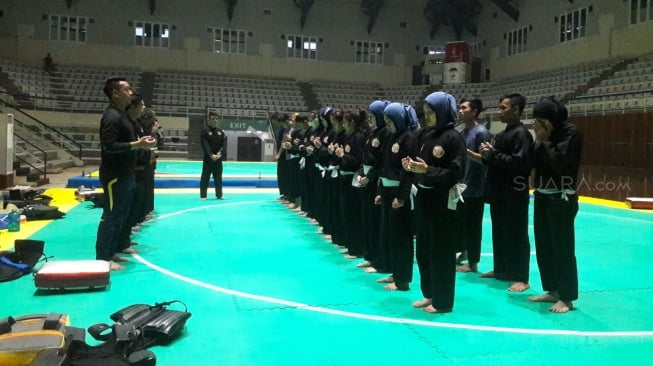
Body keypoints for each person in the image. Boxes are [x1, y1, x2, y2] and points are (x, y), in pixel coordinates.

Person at [403, 92, 466, 313]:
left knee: (441, 252)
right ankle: (430, 294)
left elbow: (457, 171)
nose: (427, 116)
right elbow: (421, 166)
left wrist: (427, 170)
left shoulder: (453, 138)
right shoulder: (425, 136)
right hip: (424, 198)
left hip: (442, 202)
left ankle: (443, 301)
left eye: (431, 112)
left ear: (443, 112)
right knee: (423, 250)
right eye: (426, 112)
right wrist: (411, 167)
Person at [528, 97, 583, 313]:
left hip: (562, 197)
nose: (537, 125)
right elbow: (531, 162)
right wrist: (538, 142)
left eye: (540, 120)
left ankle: (567, 297)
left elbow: (560, 162)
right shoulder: (544, 137)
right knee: (544, 245)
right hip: (542, 194)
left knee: (562, 247)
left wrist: (544, 140)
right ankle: (552, 289)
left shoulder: (571, 133)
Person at [95, 77, 156, 271]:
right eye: (127, 90)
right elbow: (109, 146)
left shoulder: (123, 117)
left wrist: (140, 144)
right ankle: (103, 257)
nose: (131, 93)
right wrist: (137, 144)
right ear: (115, 93)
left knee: (121, 214)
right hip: (115, 175)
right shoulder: (111, 117)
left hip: (126, 173)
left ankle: (115, 249)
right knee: (112, 216)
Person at [479, 93, 533, 292]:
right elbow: (496, 161)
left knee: (517, 235)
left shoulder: (522, 134)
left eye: (503, 107)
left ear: (516, 110)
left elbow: (520, 164)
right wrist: (487, 155)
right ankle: (501, 269)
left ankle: (521, 277)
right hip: (499, 192)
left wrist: (493, 154)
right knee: (499, 232)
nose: (499, 111)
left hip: (514, 194)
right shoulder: (502, 134)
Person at [457, 98, 491, 273]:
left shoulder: (481, 132)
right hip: (461, 187)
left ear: (475, 111)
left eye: (464, 108)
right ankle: (464, 253)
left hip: (475, 187)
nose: (460, 110)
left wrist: (468, 153)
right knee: (462, 224)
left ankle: (473, 262)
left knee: (473, 226)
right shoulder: (462, 133)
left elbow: (486, 160)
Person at [200, 112, 226, 200]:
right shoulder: (205, 131)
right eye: (213, 119)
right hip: (208, 158)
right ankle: (203, 195)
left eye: (216, 119)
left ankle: (219, 195)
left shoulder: (220, 131)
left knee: (218, 177)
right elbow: (204, 144)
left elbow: (223, 145)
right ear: (209, 120)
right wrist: (211, 154)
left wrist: (219, 154)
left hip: (218, 159)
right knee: (205, 177)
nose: (215, 121)